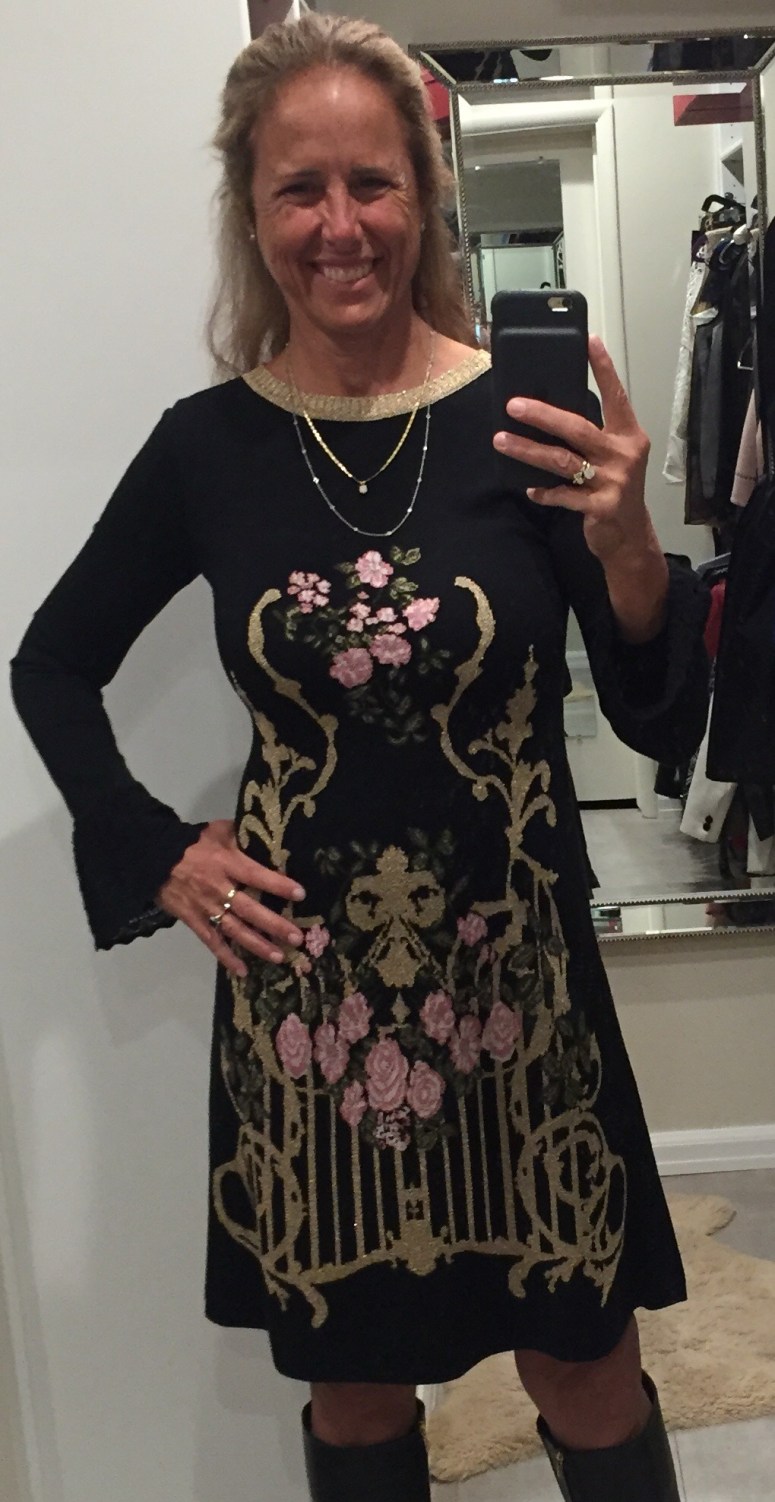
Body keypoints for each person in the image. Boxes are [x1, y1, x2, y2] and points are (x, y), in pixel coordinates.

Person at [11, 14, 711, 1502]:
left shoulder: (527, 420)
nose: (342, 225)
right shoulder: (205, 450)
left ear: (426, 195)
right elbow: (50, 664)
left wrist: (631, 543)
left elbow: (653, 713)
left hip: (525, 989)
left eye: (374, 184)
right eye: (301, 189)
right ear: (252, 212)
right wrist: (160, 850)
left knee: (587, 1370)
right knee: (357, 1384)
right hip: (313, 1010)